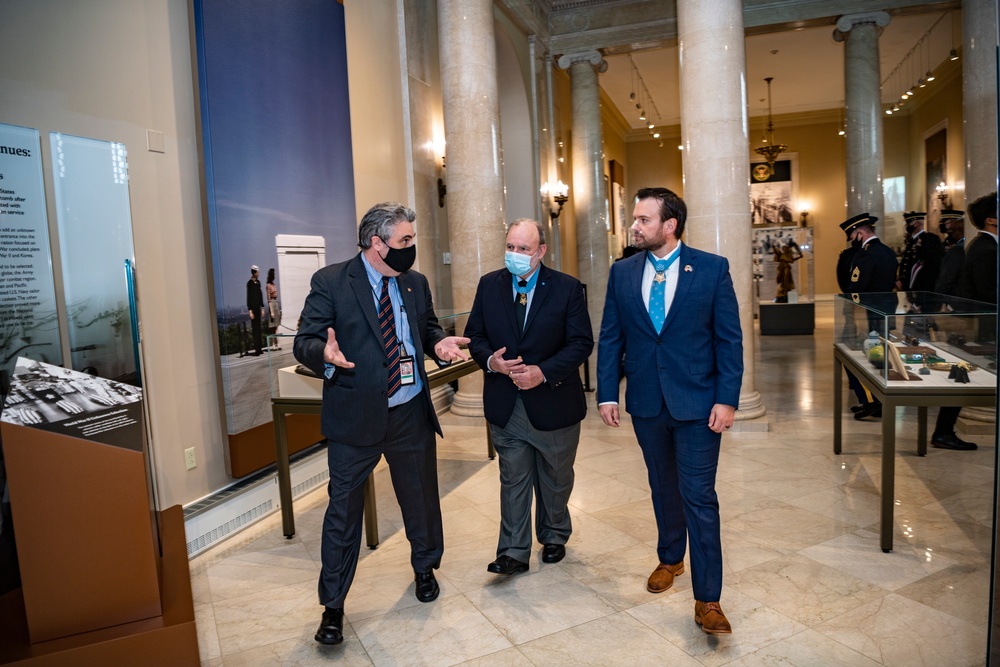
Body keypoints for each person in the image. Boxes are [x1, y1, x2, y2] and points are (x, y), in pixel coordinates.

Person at [293, 202, 469, 646]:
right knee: (342, 514)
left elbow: (425, 330)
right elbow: (305, 340)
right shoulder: (332, 281)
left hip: (409, 409)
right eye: (405, 241)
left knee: (421, 497)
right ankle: (332, 607)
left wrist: (439, 344)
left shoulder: (414, 283)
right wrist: (324, 355)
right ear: (377, 243)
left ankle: (424, 568)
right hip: (355, 417)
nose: (411, 250)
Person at [596, 187, 743, 636]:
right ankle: (669, 559)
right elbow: (612, 337)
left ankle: (709, 600)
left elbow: (729, 340)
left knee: (699, 496)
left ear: (670, 225)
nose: (634, 227)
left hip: (699, 404)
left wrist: (727, 398)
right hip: (646, 402)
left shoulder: (712, 269)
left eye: (643, 219)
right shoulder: (622, 273)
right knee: (662, 486)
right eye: (635, 219)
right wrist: (606, 393)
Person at [464, 218, 593, 576]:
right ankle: (513, 551)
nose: (515, 254)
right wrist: (492, 361)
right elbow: (475, 335)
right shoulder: (489, 285)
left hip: (554, 402)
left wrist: (544, 372)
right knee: (513, 477)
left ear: (541, 251)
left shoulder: (566, 288)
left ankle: (553, 534)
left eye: (523, 249)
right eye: (510, 247)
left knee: (555, 478)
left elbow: (581, 342)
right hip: (506, 403)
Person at [841, 213, 898, 421]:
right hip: (885, 314)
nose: (853, 241)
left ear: (859, 233)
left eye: (853, 236)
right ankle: (878, 400)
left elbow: (857, 288)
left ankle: (870, 401)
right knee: (879, 357)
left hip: (867, 315)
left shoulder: (865, 254)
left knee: (855, 359)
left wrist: (849, 310)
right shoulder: (888, 252)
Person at [929, 209, 977, 451]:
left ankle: (943, 431)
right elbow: (944, 284)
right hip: (962, 319)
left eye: (949, 221)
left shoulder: (960, 249)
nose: (946, 225)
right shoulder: (959, 251)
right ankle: (944, 431)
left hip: (964, 316)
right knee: (960, 374)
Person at [959, 192, 998, 306]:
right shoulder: (986, 250)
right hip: (990, 319)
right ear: (990, 220)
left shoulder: (987, 245)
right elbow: (988, 294)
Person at [897, 211, 944, 292]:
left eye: (909, 223)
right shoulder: (911, 241)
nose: (907, 226)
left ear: (917, 224)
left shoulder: (928, 240)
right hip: (908, 285)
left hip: (919, 286)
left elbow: (929, 264)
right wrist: (901, 279)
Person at [246, 265, 265, 356]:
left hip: (258, 308)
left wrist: (262, 307)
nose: (258, 274)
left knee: (259, 328)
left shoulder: (258, 283)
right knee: (255, 329)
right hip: (253, 309)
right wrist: (250, 310)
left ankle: (260, 348)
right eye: (257, 272)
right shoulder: (249, 283)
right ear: (254, 272)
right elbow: (248, 297)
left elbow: (260, 296)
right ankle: (257, 349)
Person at [266, 268, 281, 349]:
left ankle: (277, 343)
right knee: (273, 327)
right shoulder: (268, 285)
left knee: (276, 326)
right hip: (272, 303)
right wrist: (271, 311)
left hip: (275, 303)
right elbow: (268, 299)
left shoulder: (273, 285)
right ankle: (273, 344)